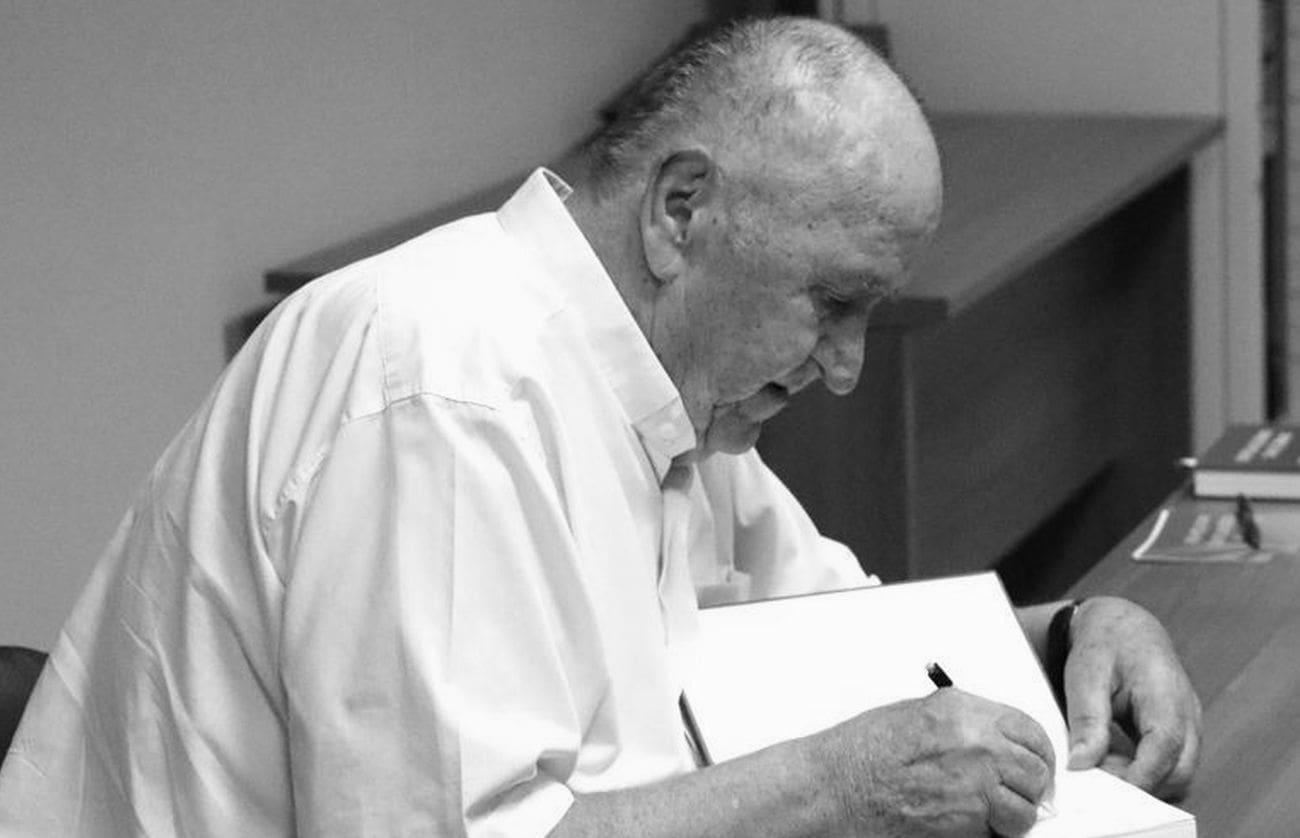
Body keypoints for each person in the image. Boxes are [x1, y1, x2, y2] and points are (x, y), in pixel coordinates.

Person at [0, 16, 1199, 837]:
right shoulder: (444, 386)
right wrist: (839, 788)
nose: (844, 369)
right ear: (681, 211)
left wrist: (1069, 634)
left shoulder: (673, 391)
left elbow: (835, 638)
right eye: (832, 303)